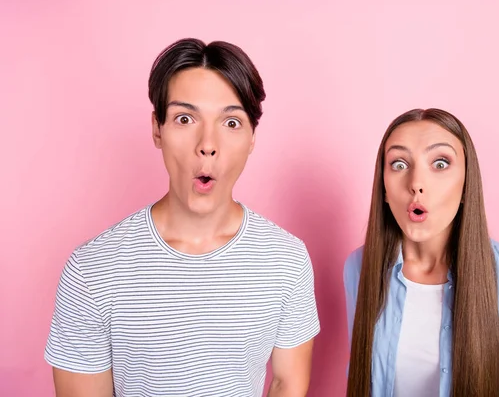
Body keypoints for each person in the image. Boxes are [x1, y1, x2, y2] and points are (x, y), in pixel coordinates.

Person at [45, 38, 320, 397]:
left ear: (252, 137)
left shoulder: (287, 260)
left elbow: (287, 382)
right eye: (185, 119)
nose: (207, 143)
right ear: (157, 129)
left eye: (231, 122)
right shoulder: (93, 269)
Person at [343, 108, 499, 396]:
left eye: (439, 163)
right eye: (399, 164)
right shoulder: (359, 269)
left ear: (465, 185)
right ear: (383, 188)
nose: (416, 184)